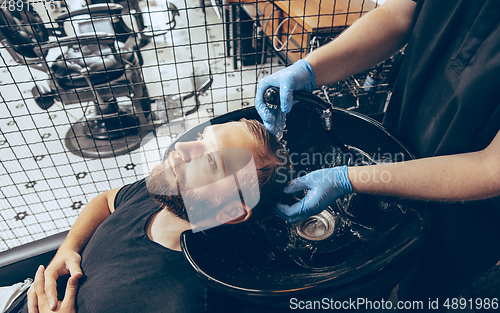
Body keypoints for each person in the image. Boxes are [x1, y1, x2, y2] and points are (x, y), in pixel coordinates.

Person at [255, 0, 500, 311]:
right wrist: (310, 68)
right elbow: (400, 14)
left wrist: (348, 178)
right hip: (409, 126)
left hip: (471, 205)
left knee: (425, 284)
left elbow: (491, 169)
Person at [13, 119, 289, 313]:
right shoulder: (166, 191)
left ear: (231, 211)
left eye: (210, 160)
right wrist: (68, 249)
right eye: (201, 138)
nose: (181, 149)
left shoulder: (182, 303)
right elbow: (106, 201)